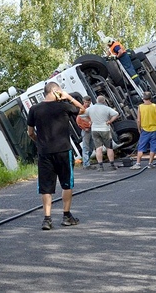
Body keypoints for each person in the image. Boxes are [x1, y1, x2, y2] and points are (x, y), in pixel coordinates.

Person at [27, 82, 85, 230]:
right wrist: (68, 97)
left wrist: (39, 142)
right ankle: (66, 216)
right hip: (64, 151)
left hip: (44, 152)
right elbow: (82, 110)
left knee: (46, 187)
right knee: (66, 183)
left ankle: (47, 219)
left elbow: (30, 132)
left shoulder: (34, 109)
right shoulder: (64, 107)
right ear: (55, 91)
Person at [130, 92, 156, 170]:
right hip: (155, 130)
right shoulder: (155, 106)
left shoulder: (140, 107)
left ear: (143, 98)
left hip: (145, 130)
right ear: (151, 98)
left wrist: (139, 129)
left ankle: (138, 163)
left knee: (141, 147)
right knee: (153, 147)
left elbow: (138, 120)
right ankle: (150, 163)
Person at [84, 95, 119, 172]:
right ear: (103, 101)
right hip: (105, 129)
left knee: (98, 148)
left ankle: (100, 166)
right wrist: (110, 121)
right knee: (109, 148)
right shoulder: (107, 108)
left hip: (94, 130)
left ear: (96, 101)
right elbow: (116, 114)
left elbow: (81, 115)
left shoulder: (90, 109)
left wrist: (89, 121)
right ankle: (112, 165)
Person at [76, 95, 96, 170]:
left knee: (91, 147)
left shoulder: (91, 109)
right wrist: (84, 128)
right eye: (85, 102)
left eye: (87, 102)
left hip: (92, 129)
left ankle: (86, 161)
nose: (86, 103)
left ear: (90, 102)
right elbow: (78, 120)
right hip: (86, 130)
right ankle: (86, 164)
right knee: (86, 147)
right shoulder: (82, 110)